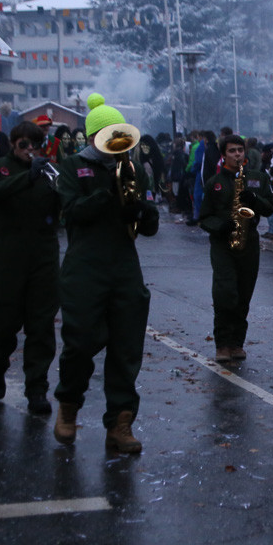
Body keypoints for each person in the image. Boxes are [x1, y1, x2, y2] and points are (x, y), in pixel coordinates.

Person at [53, 93, 159, 453]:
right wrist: (107, 194)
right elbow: (71, 212)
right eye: (109, 137)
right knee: (80, 342)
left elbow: (144, 226)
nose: (117, 145)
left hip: (124, 265)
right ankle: (68, 406)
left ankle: (120, 423)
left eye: (121, 137)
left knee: (127, 345)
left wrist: (145, 213)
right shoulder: (73, 167)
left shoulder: (130, 167)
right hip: (85, 265)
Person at [0, 121, 61, 414]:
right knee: (2, 323)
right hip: (7, 255)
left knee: (41, 325)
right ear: (13, 145)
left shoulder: (47, 170)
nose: (29, 150)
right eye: (23, 145)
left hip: (42, 253)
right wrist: (27, 178)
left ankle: (37, 388)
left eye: (35, 145)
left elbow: (66, 202)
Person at [199, 134, 273, 362]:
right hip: (223, 244)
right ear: (224, 155)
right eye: (232, 151)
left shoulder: (258, 179)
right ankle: (222, 344)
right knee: (225, 294)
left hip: (248, 242)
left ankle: (237, 343)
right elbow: (204, 217)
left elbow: (270, 207)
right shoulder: (215, 183)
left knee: (243, 295)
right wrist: (221, 226)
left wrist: (254, 200)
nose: (237, 154)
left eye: (240, 150)